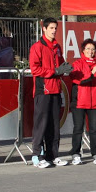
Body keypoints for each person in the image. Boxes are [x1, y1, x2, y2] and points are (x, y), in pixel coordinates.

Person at [29, 17, 72, 168]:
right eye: (51, 28)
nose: (54, 31)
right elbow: (35, 69)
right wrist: (55, 71)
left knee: (54, 125)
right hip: (43, 90)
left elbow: (60, 66)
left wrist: (64, 69)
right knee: (42, 124)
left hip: (56, 89)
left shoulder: (57, 46)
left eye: (55, 28)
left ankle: (52, 156)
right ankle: (37, 155)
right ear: (44, 29)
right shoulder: (37, 47)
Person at [69, 39, 96, 165]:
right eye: (88, 49)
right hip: (79, 101)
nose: (91, 51)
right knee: (78, 128)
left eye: (93, 49)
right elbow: (78, 80)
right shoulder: (77, 64)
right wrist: (92, 72)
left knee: (94, 129)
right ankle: (76, 154)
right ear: (83, 50)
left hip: (94, 101)